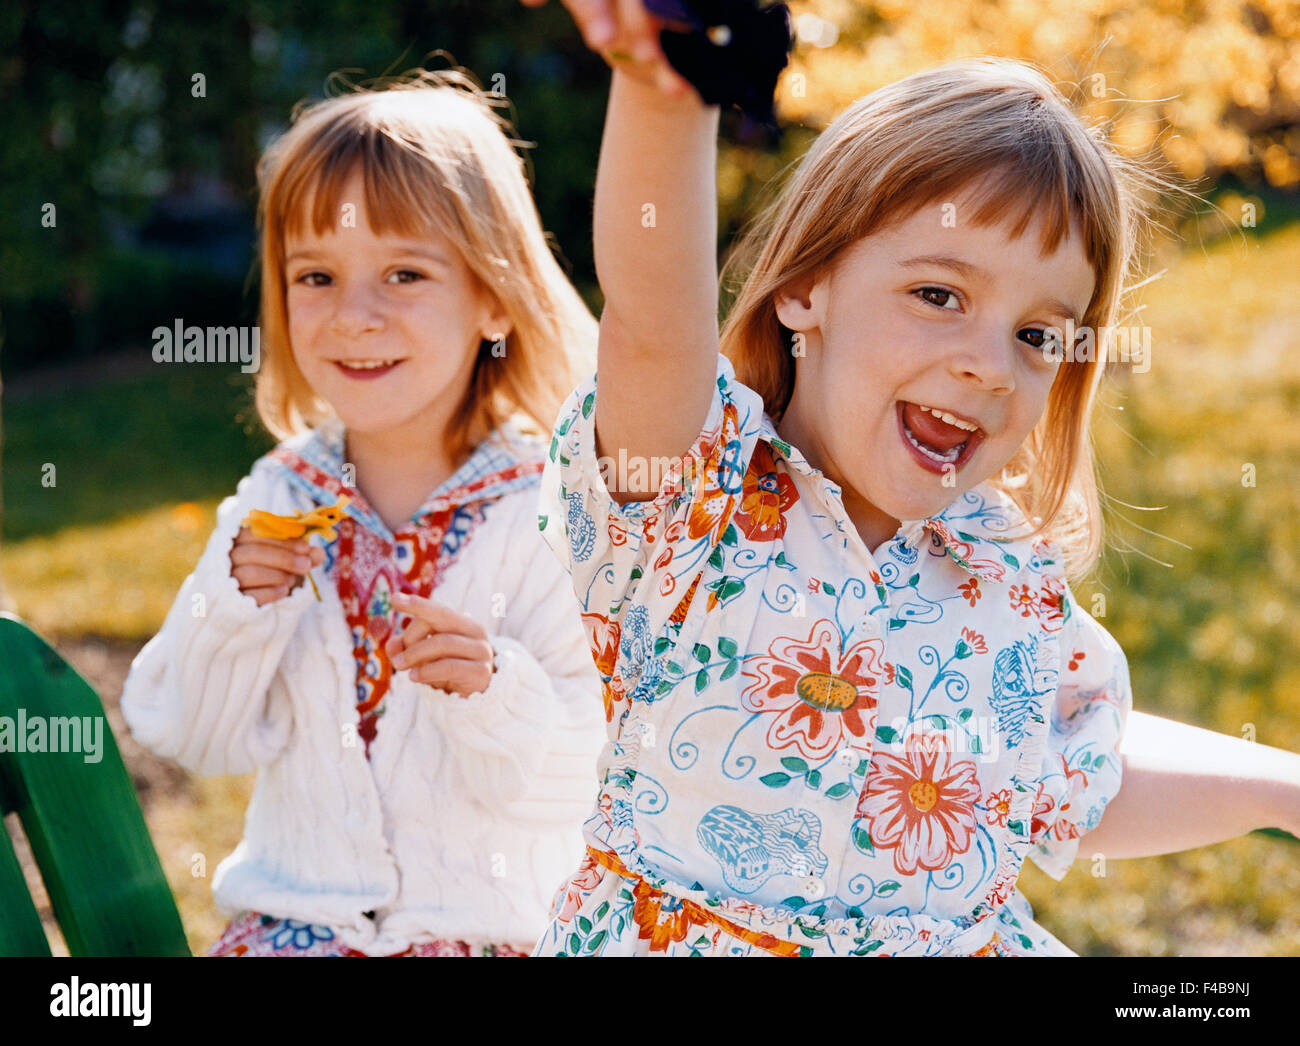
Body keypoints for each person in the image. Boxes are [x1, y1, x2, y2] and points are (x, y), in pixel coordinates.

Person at [523, 0, 1300, 955]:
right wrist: (670, 84)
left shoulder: (1002, 567)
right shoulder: (696, 498)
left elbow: (1069, 770)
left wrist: (1287, 790)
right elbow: (651, 319)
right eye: (939, 295)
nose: (989, 365)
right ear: (805, 287)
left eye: (1036, 335)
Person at [121, 68, 606, 956]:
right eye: (316, 276)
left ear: (494, 298)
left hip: (486, 935)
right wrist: (233, 614)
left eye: (404, 273)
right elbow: (192, 733)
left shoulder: (547, 510)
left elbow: (586, 771)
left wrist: (491, 690)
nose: (353, 317)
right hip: (296, 930)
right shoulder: (277, 500)